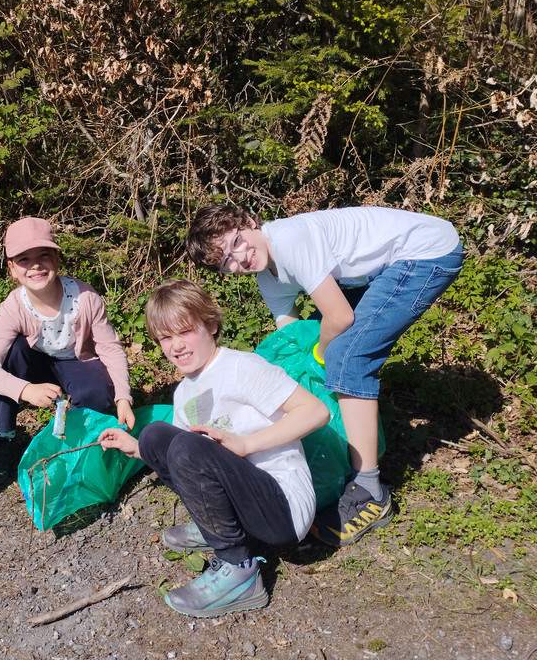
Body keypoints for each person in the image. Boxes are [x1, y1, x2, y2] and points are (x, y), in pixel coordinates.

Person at [186, 204, 463, 546]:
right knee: (328, 341)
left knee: (348, 356)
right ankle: (343, 453)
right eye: (226, 261)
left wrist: (321, 355)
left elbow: (340, 317)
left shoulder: (289, 240)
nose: (239, 258)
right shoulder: (268, 278)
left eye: (236, 243)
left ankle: (370, 491)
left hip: (426, 252)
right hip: (383, 267)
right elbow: (292, 337)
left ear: (250, 222)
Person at [98, 280, 328, 618]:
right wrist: (137, 447)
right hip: (248, 505)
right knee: (155, 436)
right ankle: (219, 527)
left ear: (211, 325)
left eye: (185, 331)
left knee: (186, 445)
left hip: (282, 508)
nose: (176, 345)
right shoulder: (183, 393)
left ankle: (239, 569)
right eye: (165, 338)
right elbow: (186, 465)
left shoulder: (242, 367)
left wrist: (247, 444)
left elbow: (316, 411)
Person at [0, 217, 134, 485]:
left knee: (97, 390)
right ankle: (3, 436)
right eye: (24, 259)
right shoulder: (14, 307)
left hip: (77, 363)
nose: (35, 265)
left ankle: (76, 442)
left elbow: (110, 349)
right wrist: (26, 390)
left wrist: (123, 398)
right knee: (10, 353)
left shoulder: (85, 297)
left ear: (57, 259)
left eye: (43, 255)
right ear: (12, 269)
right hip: (36, 364)